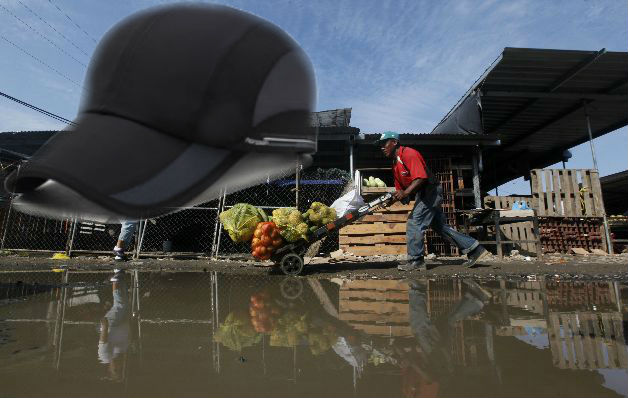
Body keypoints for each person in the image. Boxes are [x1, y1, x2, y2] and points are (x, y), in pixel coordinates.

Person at [378, 131, 489, 271]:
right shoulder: (395, 165)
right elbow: (401, 191)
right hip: (423, 194)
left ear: (394, 142)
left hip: (431, 191)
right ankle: (474, 249)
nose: (382, 147)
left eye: (384, 143)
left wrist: (406, 192)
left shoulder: (408, 154)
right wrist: (392, 199)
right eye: (380, 145)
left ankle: (416, 260)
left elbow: (421, 177)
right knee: (440, 227)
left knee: (414, 222)